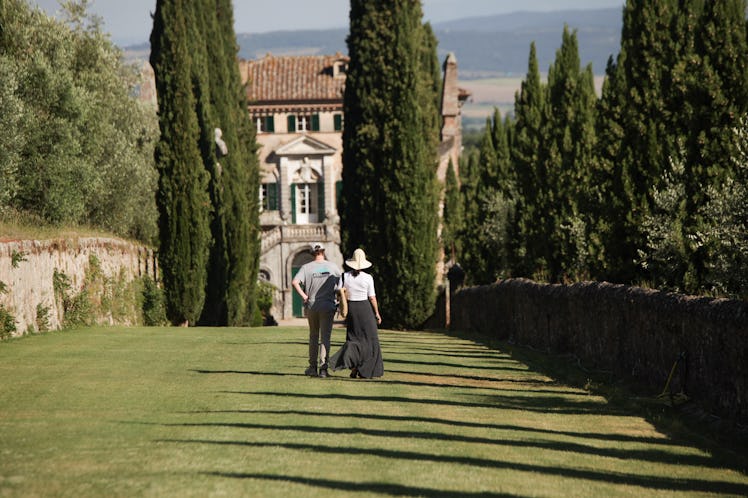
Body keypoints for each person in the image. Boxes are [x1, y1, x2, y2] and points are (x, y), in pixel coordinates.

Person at [329, 248, 384, 379]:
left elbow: (339, 293)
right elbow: (372, 297)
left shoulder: (344, 276)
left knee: (353, 339)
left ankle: (354, 368)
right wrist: (377, 313)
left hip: (352, 309)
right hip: (365, 309)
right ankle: (365, 369)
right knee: (369, 340)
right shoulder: (368, 278)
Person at [292, 242, 342, 378]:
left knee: (313, 336)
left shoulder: (306, 267)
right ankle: (324, 369)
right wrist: (339, 295)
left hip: (312, 306)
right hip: (328, 305)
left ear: (313, 253)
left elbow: (294, 282)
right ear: (323, 252)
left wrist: (304, 296)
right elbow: (341, 283)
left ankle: (312, 367)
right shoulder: (332, 267)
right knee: (325, 337)